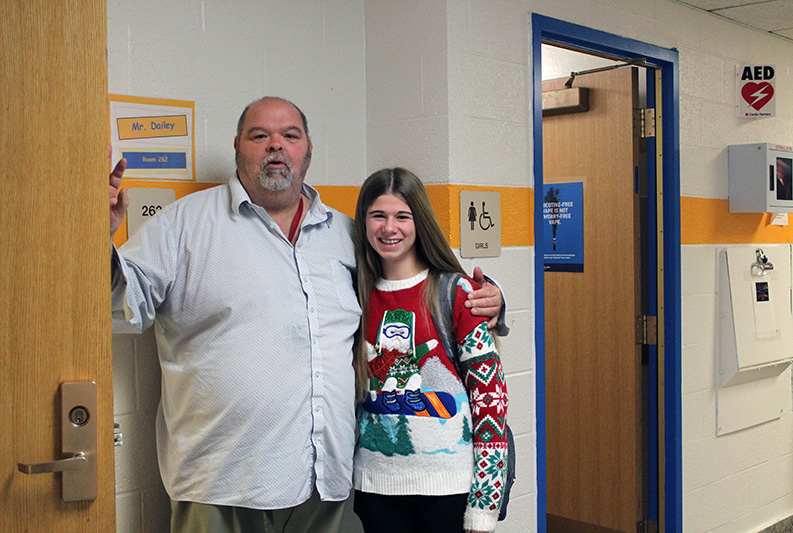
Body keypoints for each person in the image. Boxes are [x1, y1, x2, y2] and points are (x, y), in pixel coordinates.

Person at [108, 97, 506, 533]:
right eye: (260, 136)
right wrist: (97, 236)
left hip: (325, 488)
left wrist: (488, 300)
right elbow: (120, 307)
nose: (275, 146)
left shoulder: (345, 234)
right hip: (221, 487)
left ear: (308, 151)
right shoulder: (184, 225)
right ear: (238, 146)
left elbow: (406, 287)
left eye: (290, 136)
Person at [351, 168, 509, 533]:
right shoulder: (354, 290)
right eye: (379, 215)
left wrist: (484, 505)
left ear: (419, 221)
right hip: (374, 487)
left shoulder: (457, 293)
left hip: (449, 488)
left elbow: (490, 398)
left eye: (402, 216)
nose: (390, 228)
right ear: (363, 221)